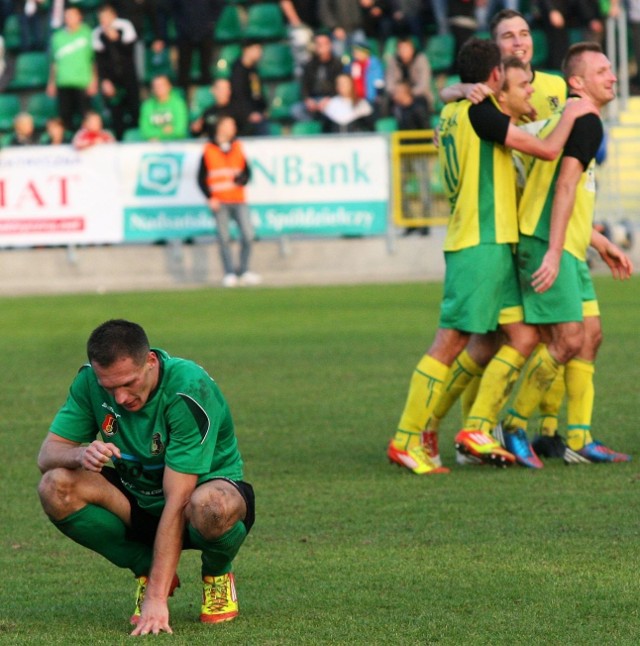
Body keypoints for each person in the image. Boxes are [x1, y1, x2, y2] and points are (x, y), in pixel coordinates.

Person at [387, 37, 596, 474]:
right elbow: (547, 149)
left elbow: (455, 97)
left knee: (521, 337)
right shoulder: (478, 113)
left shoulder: (455, 110)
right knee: (450, 341)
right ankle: (408, 437)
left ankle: (474, 427)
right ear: (495, 78)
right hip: (477, 242)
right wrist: (575, 111)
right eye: (517, 82)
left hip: (493, 242)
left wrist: (463, 91)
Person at [37, 319, 255, 635]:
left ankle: (217, 574)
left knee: (211, 506)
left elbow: (178, 499)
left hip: (199, 496)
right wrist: (79, 454)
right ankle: (144, 565)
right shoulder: (89, 382)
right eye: (109, 388)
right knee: (55, 486)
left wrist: (155, 598)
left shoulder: (188, 391)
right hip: (137, 496)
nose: (121, 398)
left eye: (129, 383)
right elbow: (47, 454)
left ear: (150, 362)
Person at [495, 42, 632, 464]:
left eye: (612, 69)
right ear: (577, 82)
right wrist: (554, 252)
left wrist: (599, 240)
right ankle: (513, 425)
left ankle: (578, 438)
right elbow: (564, 187)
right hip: (547, 242)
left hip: (568, 242)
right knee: (568, 338)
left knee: (589, 337)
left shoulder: (570, 118)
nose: (612, 76)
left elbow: (570, 189)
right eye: (603, 70)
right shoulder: (586, 119)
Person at [197, 116, 261, 288]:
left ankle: (244, 270)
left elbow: (247, 172)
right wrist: (210, 197)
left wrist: (243, 178)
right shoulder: (209, 149)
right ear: (220, 127)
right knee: (224, 238)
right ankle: (229, 272)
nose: (232, 128)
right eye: (229, 125)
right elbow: (201, 178)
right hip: (220, 201)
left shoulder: (238, 147)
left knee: (248, 235)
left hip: (238, 199)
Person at [92, 3, 140, 141]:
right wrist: (105, 81)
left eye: (106, 17)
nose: (104, 21)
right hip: (112, 80)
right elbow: (100, 61)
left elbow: (130, 52)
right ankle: (119, 141)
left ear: (113, 16)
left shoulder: (124, 26)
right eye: (101, 18)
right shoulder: (97, 33)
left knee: (134, 109)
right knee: (116, 113)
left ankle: (136, 140)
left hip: (128, 76)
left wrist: (116, 40)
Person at [47, 6, 97, 131]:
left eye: (72, 15)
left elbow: (93, 60)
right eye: (66, 16)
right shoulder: (57, 37)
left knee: (85, 117)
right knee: (65, 118)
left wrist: (94, 80)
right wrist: (52, 82)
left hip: (82, 82)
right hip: (63, 82)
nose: (68, 18)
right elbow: (54, 62)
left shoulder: (87, 33)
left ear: (79, 17)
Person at [170, 0, 224, 94]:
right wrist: (180, 24)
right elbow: (172, 7)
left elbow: (219, 5)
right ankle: (183, 100)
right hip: (184, 33)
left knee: (206, 69)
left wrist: (211, 22)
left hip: (206, 33)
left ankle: (206, 98)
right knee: (183, 71)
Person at [293, 29, 343, 123]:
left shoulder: (337, 64)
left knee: (336, 108)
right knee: (297, 110)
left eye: (324, 43)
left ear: (330, 45)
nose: (321, 46)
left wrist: (328, 99)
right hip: (314, 99)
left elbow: (340, 87)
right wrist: (307, 100)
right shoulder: (309, 65)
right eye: (318, 44)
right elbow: (304, 86)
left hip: (331, 100)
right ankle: (312, 131)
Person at [384, 35, 433, 119]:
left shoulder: (421, 59)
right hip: (398, 98)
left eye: (406, 48)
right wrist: (399, 94)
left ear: (412, 49)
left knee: (418, 109)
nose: (404, 52)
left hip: (419, 96)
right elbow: (389, 83)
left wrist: (409, 95)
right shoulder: (393, 61)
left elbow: (423, 85)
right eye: (401, 49)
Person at [229, 39, 270, 137]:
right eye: (256, 49)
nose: (259, 53)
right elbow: (238, 96)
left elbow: (257, 93)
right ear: (246, 50)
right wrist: (248, 114)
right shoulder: (237, 70)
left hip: (255, 112)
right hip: (242, 113)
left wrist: (264, 108)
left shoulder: (254, 70)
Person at [139, 74, 188, 141]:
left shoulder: (178, 104)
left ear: (169, 86)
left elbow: (180, 130)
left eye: (162, 85)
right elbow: (145, 132)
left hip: (176, 145)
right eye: (155, 86)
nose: (158, 88)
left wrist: (156, 135)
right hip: (153, 146)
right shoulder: (147, 106)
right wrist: (164, 131)